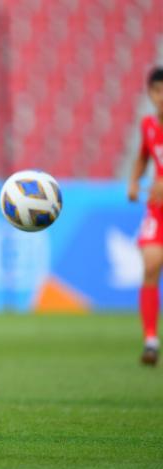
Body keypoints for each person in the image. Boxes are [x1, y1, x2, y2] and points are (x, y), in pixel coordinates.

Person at [128, 66, 163, 366]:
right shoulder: (148, 125)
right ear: (150, 94)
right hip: (158, 207)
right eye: (157, 91)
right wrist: (133, 180)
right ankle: (150, 341)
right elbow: (143, 155)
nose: (162, 97)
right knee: (150, 265)